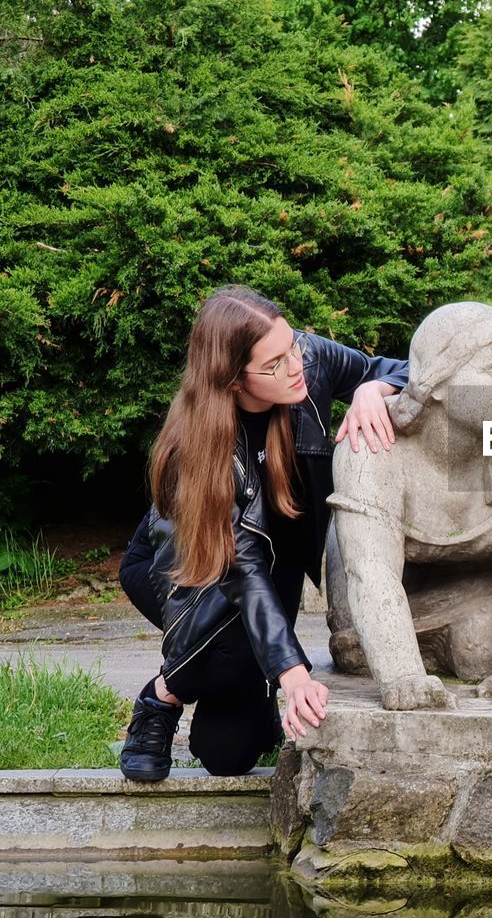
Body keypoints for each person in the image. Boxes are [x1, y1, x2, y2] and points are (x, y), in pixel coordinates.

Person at [117, 286, 408, 781]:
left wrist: (369, 390)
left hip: (277, 570)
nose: (294, 365)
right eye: (273, 363)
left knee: (227, 756)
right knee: (233, 655)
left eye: (291, 345)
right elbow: (240, 567)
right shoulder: (197, 447)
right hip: (189, 572)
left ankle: (248, 681)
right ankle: (162, 695)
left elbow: (410, 369)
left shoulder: (308, 360)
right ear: (232, 380)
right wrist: (294, 674)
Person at [326, 302, 492, 710]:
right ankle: (422, 637)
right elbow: (371, 572)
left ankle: (473, 617)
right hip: (387, 582)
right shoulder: (375, 445)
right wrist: (403, 674)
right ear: (437, 382)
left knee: (482, 649)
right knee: (368, 647)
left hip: (480, 575)